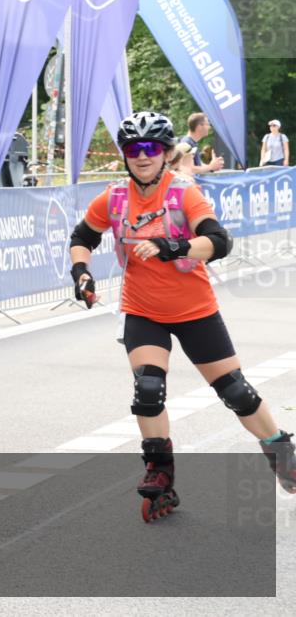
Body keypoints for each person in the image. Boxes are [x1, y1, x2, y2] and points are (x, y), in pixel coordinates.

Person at [68, 111, 296, 522]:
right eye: (133, 149)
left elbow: (219, 241)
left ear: (166, 152)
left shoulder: (183, 193)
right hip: (143, 310)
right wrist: (80, 271)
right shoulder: (116, 198)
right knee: (148, 389)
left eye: (150, 148)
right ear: (125, 155)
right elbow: (82, 236)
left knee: (236, 392)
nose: (141, 156)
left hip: (195, 310)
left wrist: (172, 247)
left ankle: (282, 453)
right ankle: (160, 476)